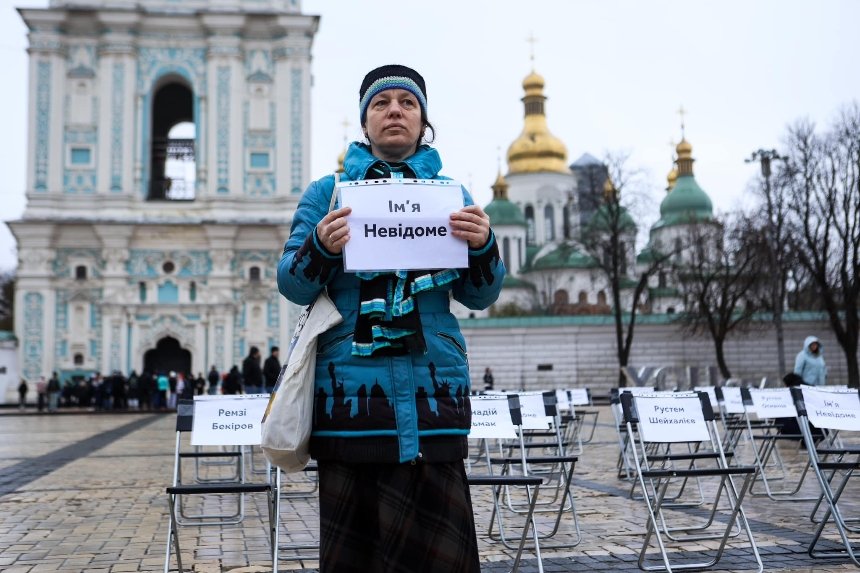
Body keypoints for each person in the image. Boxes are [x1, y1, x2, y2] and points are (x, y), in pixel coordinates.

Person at [277, 64, 504, 573]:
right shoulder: (329, 194)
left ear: (423, 120)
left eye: (407, 102)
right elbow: (292, 283)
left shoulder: (452, 196)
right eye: (381, 104)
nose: (394, 111)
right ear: (365, 122)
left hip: (432, 404)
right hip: (352, 407)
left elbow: (482, 294)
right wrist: (321, 247)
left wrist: (485, 244)